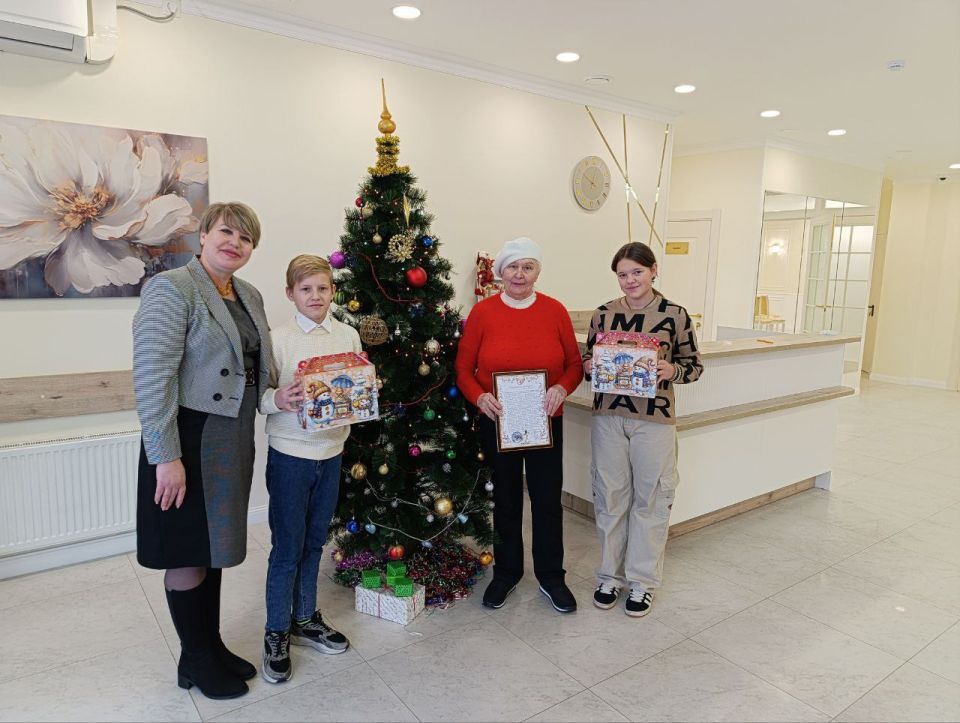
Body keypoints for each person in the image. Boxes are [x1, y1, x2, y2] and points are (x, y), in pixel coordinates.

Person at [133, 202, 271, 700]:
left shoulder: (248, 294)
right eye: (227, 232)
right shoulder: (172, 288)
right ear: (204, 235)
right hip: (186, 437)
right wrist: (165, 457)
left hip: (229, 436)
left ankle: (209, 646)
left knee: (212, 548)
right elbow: (153, 379)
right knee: (187, 550)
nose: (235, 243)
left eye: (246, 238)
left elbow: (257, 370)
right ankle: (194, 660)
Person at [455, 237, 583, 612]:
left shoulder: (555, 311)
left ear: (537, 271)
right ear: (500, 272)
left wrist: (561, 388)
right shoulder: (483, 314)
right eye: (513, 266)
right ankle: (506, 573)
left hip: (545, 422)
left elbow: (575, 365)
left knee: (547, 501)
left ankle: (551, 576)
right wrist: (479, 397)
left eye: (528, 267)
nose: (520, 274)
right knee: (506, 501)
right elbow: (463, 369)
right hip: (498, 422)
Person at [584, 241, 703, 617]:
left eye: (637, 272)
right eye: (622, 274)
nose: (630, 280)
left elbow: (694, 366)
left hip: (654, 421)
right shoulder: (603, 314)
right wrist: (589, 366)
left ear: (653, 270)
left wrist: (672, 370)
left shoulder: (675, 315)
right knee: (610, 498)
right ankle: (609, 576)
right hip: (608, 418)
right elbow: (588, 359)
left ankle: (642, 582)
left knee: (650, 500)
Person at [258, 254, 360, 684]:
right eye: (306, 289)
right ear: (290, 294)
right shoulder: (277, 340)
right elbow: (259, 396)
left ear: (333, 291)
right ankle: (276, 630)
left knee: (315, 541)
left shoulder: (348, 335)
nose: (315, 296)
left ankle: (304, 618)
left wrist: (364, 389)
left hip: (332, 453)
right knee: (287, 547)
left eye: (322, 288)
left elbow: (353, 391)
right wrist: (278, 399)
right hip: (290, 456)